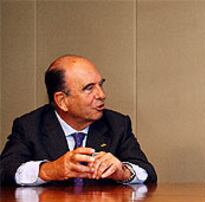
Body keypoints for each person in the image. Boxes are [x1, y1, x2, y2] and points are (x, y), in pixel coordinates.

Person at [0, 55, 157, 186]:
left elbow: (148, 173)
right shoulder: (29, 126)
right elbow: (5, 171)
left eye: (100, 85)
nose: (101, 95)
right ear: (62, 101)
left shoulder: (117, 124)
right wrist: (49, 170)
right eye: (89, 88)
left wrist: (123, 172)